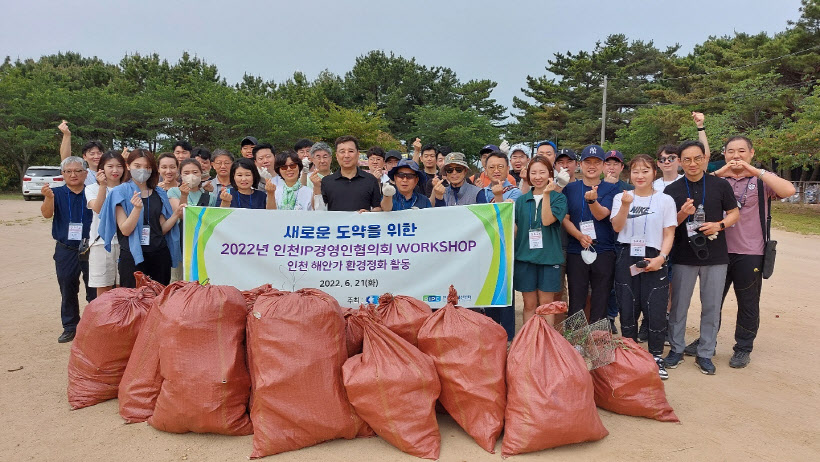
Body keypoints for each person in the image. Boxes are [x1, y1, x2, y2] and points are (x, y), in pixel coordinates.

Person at [683, 136, 795, 368]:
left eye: (742, 151)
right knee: (712, 300)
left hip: (750, 251)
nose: (736, 156)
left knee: (748, 301)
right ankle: (707, 341)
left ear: (751, 153)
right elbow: (694, 183)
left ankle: (743, 347)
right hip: (718, 250)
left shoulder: (761, 180)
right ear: (723, 155)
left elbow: (789, 190)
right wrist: (722, 171)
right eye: (731, 151)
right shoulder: (716, 180)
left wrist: (754, 171)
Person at [663, 140, 740, 375]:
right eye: (686, 159)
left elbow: (735, 212)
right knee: (678, 306)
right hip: (683, 256)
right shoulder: (672, 190)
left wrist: (719, 224)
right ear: (680, 162)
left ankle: (705, 352)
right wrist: (681, 214)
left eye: (697, 158)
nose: (692, 163)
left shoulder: (720, 185)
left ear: (705, 159)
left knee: (711, 306)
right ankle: (676, 349)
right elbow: (667, 224)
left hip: (715, 256)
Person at [610, 154, 677, 380]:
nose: (640, 175)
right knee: (628, 304)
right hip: (625, 254)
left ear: (653, 174)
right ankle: (630, 355)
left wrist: (661, 258)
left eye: (645, 171)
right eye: (636, 171)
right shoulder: (622, 197)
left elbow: (669, 232)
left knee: (655, 305)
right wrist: (626, 206)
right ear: (630, 174)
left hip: (654, 255)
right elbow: (617, 227)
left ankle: (656, 355)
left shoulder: (665, 200)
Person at [98, 149, 182, 288]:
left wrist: (175, 215)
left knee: (158, 300)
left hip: (159, 255)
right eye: (137, 166)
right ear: (128, 166)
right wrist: (137, 210)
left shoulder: (159, 192)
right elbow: (125, 230)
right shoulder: (120, 192)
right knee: (134, 302)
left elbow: (162, 229)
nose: (142, 170)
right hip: (132, 257)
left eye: (147, 167)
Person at [561, 145, 619, 323]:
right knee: (577, 297)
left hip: (603, 250)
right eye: (588, 162)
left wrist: (592, 200)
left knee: (601, 298)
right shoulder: (570, 189)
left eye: (597, 162)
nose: (592, 166)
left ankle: (598, 340)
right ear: (580, 164)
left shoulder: (611, 189)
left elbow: (602, 214)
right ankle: (575, 340)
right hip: (577, 249)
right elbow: (565, 218)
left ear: (603, 166)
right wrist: (579, 236)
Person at [41, 156, 96, 343]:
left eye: (78, 171)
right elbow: (47, 214)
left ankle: (94, 326)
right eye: (68, 171)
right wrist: (48, 198)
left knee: (94, 288)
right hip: (66, 249)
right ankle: (70, 326)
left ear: (85, 173)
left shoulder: (92, 192)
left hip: (91, 247)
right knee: (67, 287)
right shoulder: (55, 193)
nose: (73, 175)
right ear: (63, 174)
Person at [513, 155, 567, 325]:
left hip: (548, 259)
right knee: (529, 305)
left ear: (550, 174)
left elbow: (547, 220)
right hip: (525, 259)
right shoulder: (521, 200)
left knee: (546, 306)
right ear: (528, 175)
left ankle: (546, 344)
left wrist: (546, 195)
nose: (538, 177)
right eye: (533, 173)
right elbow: (514, 229)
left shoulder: (559, 198)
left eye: (542, 172)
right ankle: (528, 343)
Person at [86, 149, 128, 297]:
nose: (115, 170)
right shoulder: (92, 188)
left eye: (119, 166)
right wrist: (103, 186)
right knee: (104, 290)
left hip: (125, 244)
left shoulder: (129, 189)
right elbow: (98, 209)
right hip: (101, 244)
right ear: (101, 169)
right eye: (110, 166)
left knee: (123, 289)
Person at [319, 136, 382, 212]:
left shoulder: (371, 180)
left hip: (362, 223)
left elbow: (378, 207)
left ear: (358, 154)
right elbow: (320, 210)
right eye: (342, 151)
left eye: (351, 151)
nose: (346, 156)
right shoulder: (327, 181)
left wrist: (369, 213)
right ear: (336, 156)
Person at [58, 120, 104, 185]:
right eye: (92, 154)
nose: (96, 156)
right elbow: (66, 160)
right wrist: (67, 135)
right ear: (84, 157)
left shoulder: (111, 172)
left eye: (99, 153)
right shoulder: (83, 173)